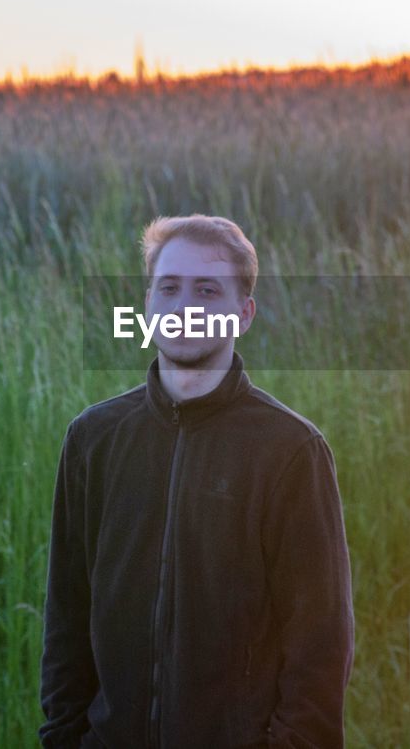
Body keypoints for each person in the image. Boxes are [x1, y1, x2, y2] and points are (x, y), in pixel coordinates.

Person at [39, 214, 355, 748]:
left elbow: (320, 647)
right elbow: (66, 620)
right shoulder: (93, 439)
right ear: (147, 306)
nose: (185, 307)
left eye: (207, 290)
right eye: (169, 287)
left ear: (243, 313)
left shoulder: (291, 452)